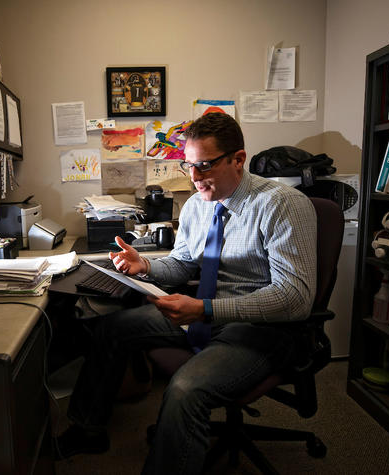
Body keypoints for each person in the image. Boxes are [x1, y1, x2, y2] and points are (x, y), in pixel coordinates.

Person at [54, 112, 317, 474]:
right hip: (208, 312)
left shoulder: (281, 205)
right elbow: (182, 265)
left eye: (205, 166)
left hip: (263, 327)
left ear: (237, 159)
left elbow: (295, 298)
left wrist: (206, 309)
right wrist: (144, 267)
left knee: (185, 389)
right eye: (188, 166)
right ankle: (88, 428)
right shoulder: (196, 205)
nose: (194, 178)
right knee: (110, 329)